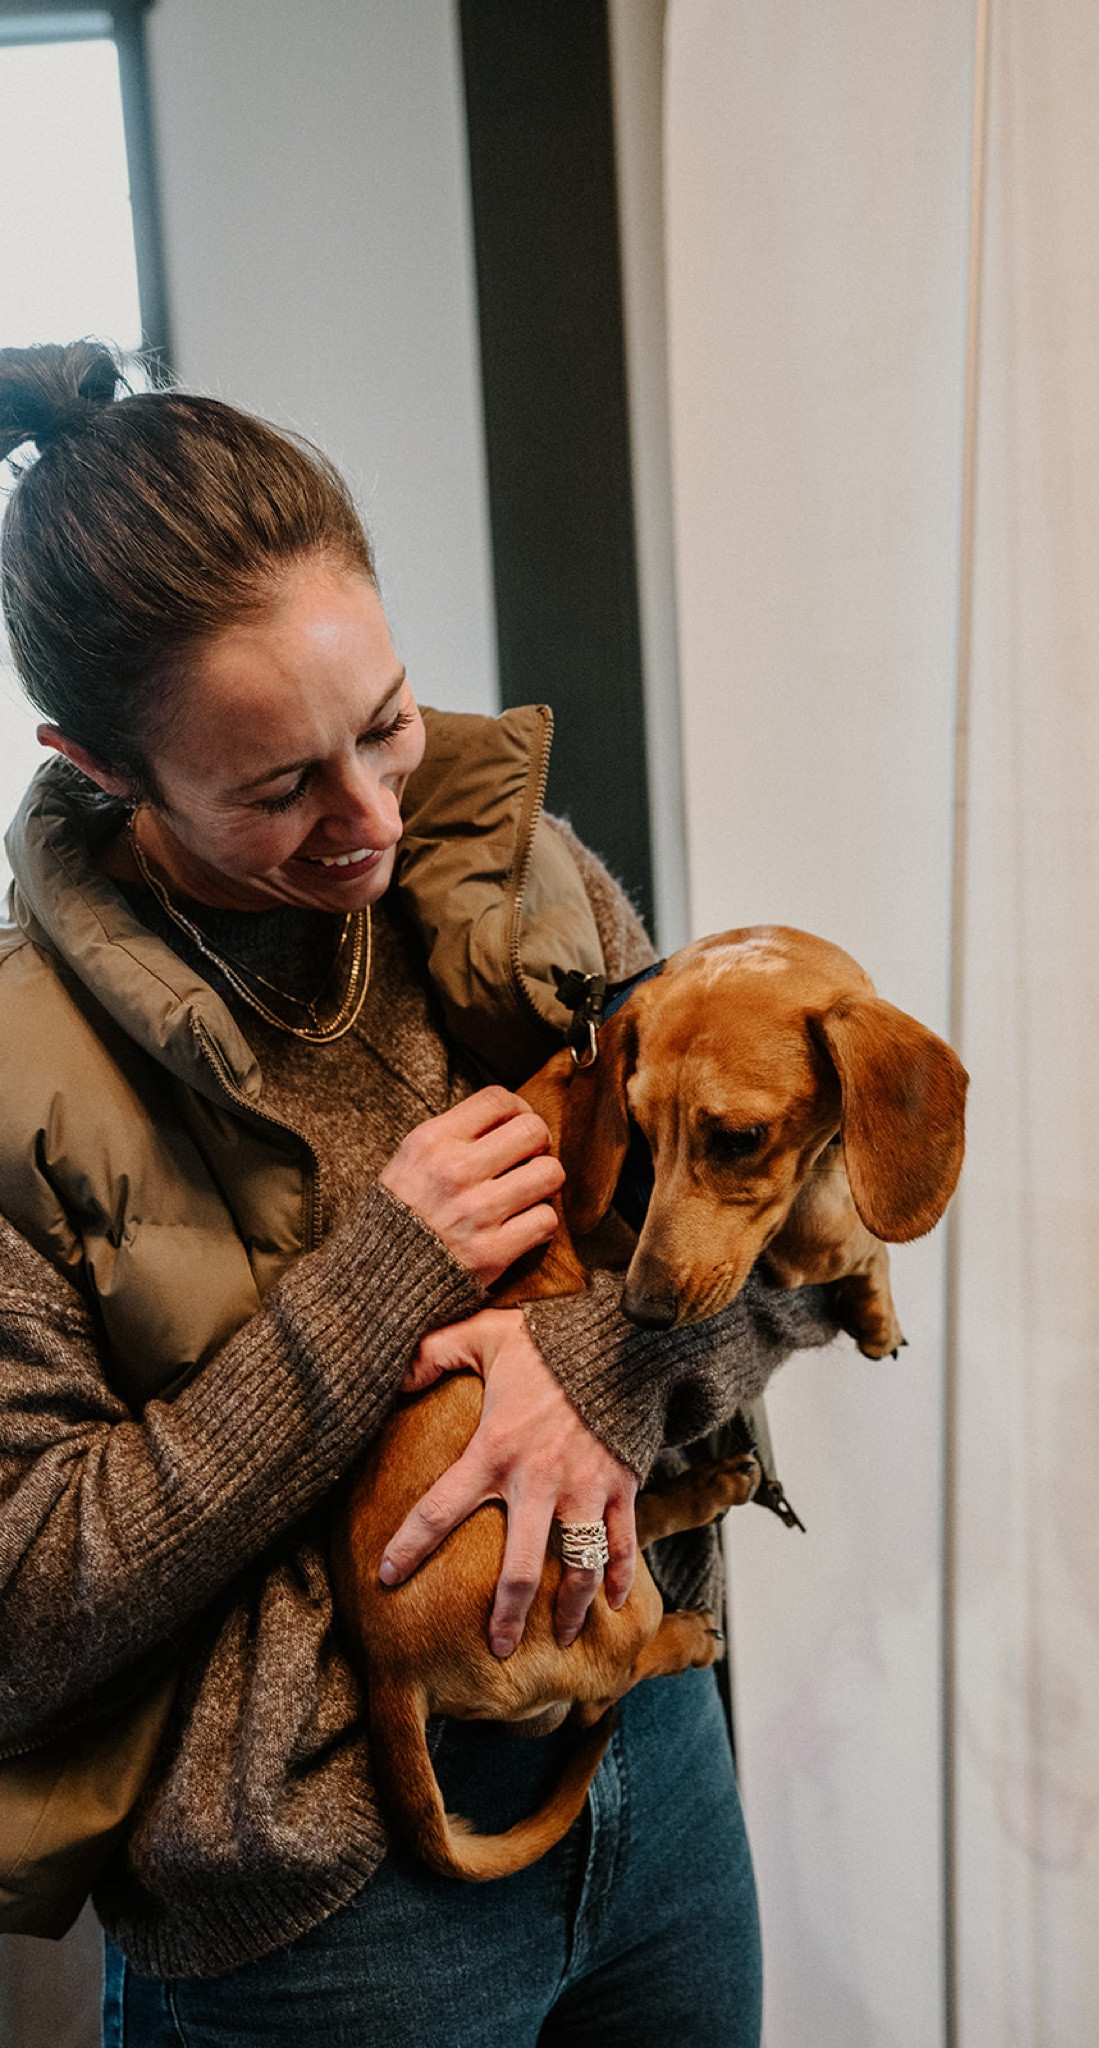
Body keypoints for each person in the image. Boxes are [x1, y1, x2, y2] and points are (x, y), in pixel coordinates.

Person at [0, 342, 838, 2047]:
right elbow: (25, 1614)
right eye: (277, 789)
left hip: (647, 1765)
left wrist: (608, 1375)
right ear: (99, 766)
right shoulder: (22, 1083)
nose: (370, 816)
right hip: (319, 1914)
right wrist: (381, 1280)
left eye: (382, 724)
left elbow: (796, 1257)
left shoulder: (522, 878)